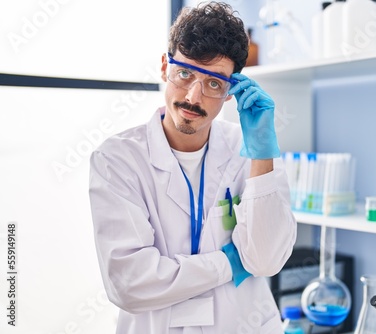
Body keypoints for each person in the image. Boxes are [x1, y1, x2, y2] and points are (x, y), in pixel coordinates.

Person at [88, 2, 297, 333]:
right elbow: (129, 284)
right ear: (163, 67)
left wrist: (262, 154)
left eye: (214, 83)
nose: (194, 97)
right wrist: (228, 262)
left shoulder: (252, 154)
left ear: (231, 90)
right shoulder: (117, 160)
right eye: (184, 74)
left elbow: (266, 260)